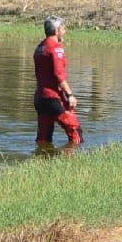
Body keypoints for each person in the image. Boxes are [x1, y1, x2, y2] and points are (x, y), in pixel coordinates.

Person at [33, 15, 82, 147]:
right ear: (56, 30)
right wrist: (70, 95)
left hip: (40, 97)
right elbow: (59, 75)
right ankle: (72, 159)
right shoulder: (56, 48)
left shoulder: (39, 47)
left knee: (44, 137)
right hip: (53, 97)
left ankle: (41, 159)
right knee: (75, 131)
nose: (65, 31)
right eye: (63, 28)